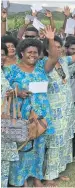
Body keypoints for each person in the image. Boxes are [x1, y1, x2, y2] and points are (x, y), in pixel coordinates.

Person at [3, 25, 58, 187]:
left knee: (39, 147)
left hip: (40, 114)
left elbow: (54, 58)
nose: (33, 55)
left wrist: (51, 39)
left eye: (35, 52)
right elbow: (4, 90)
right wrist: (17, 92)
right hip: (22, 115)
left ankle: (36, 178)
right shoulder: (11, 70)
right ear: (22, 53)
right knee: (22, 147)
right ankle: (22, 180)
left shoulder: (41, 67)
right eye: (29, 52)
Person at [43, 30, 75, 186]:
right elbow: (52, 59)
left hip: (67, 109)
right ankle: (48, 176)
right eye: (54, 46)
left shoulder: (65, 61)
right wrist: (50, 39)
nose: (59, 49)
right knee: (54, 143)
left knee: (65, 141)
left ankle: (57, 171)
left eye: (60, 46)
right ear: (47, 50)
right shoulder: (44, 64)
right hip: (54, 111)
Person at [1, 43, 19, 188]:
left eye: (2, 54)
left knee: (4, 157)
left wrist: (11, 93)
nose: (1, 57)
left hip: (5, 120)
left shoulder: (1, 72)